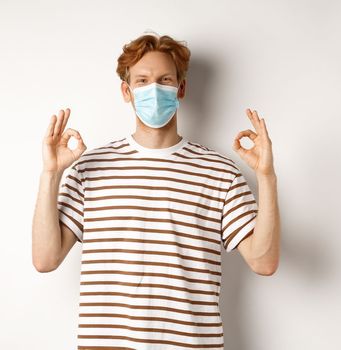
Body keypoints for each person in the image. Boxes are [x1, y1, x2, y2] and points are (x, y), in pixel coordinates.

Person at [30, 31, 281, 349]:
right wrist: (51, 173)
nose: (154, 89)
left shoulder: (220, 172)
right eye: (142, 80)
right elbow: (45, 258)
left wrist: (267, 177)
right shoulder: (88, 168)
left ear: (181, 88)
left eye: (165, 80)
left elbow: (264, 262)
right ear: (126, 90)